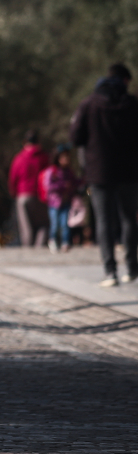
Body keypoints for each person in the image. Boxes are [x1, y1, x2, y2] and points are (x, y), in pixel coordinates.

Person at [69, 63, 138, 287]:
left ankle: (110, 272)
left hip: (99, 173)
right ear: (125, 80)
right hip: (129, 171)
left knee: (104, 221)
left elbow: (76, 137)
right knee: (129, 219)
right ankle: (132, 268)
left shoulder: (88, 104)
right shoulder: (132, 104)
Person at [8, 129, 49, 248]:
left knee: (26, 227)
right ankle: (39, 248)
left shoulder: (19, 158)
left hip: (23, 196)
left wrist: (13, 193)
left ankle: (28, 252)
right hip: (40, 195)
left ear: (25, 142)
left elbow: (13, 178)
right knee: (44, 225)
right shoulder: (44, 157)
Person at [42, 145, 79, 252]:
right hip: (54, 203)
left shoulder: (69, 171)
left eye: (67, 157)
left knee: (65, 224)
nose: (66, 160)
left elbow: (74, 182)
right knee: (55, 224)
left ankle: (65, 242)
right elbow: (48, 186)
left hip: (66, 201)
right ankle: (53, 240)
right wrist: (63, 186)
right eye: (63, 157)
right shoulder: (52, 171)